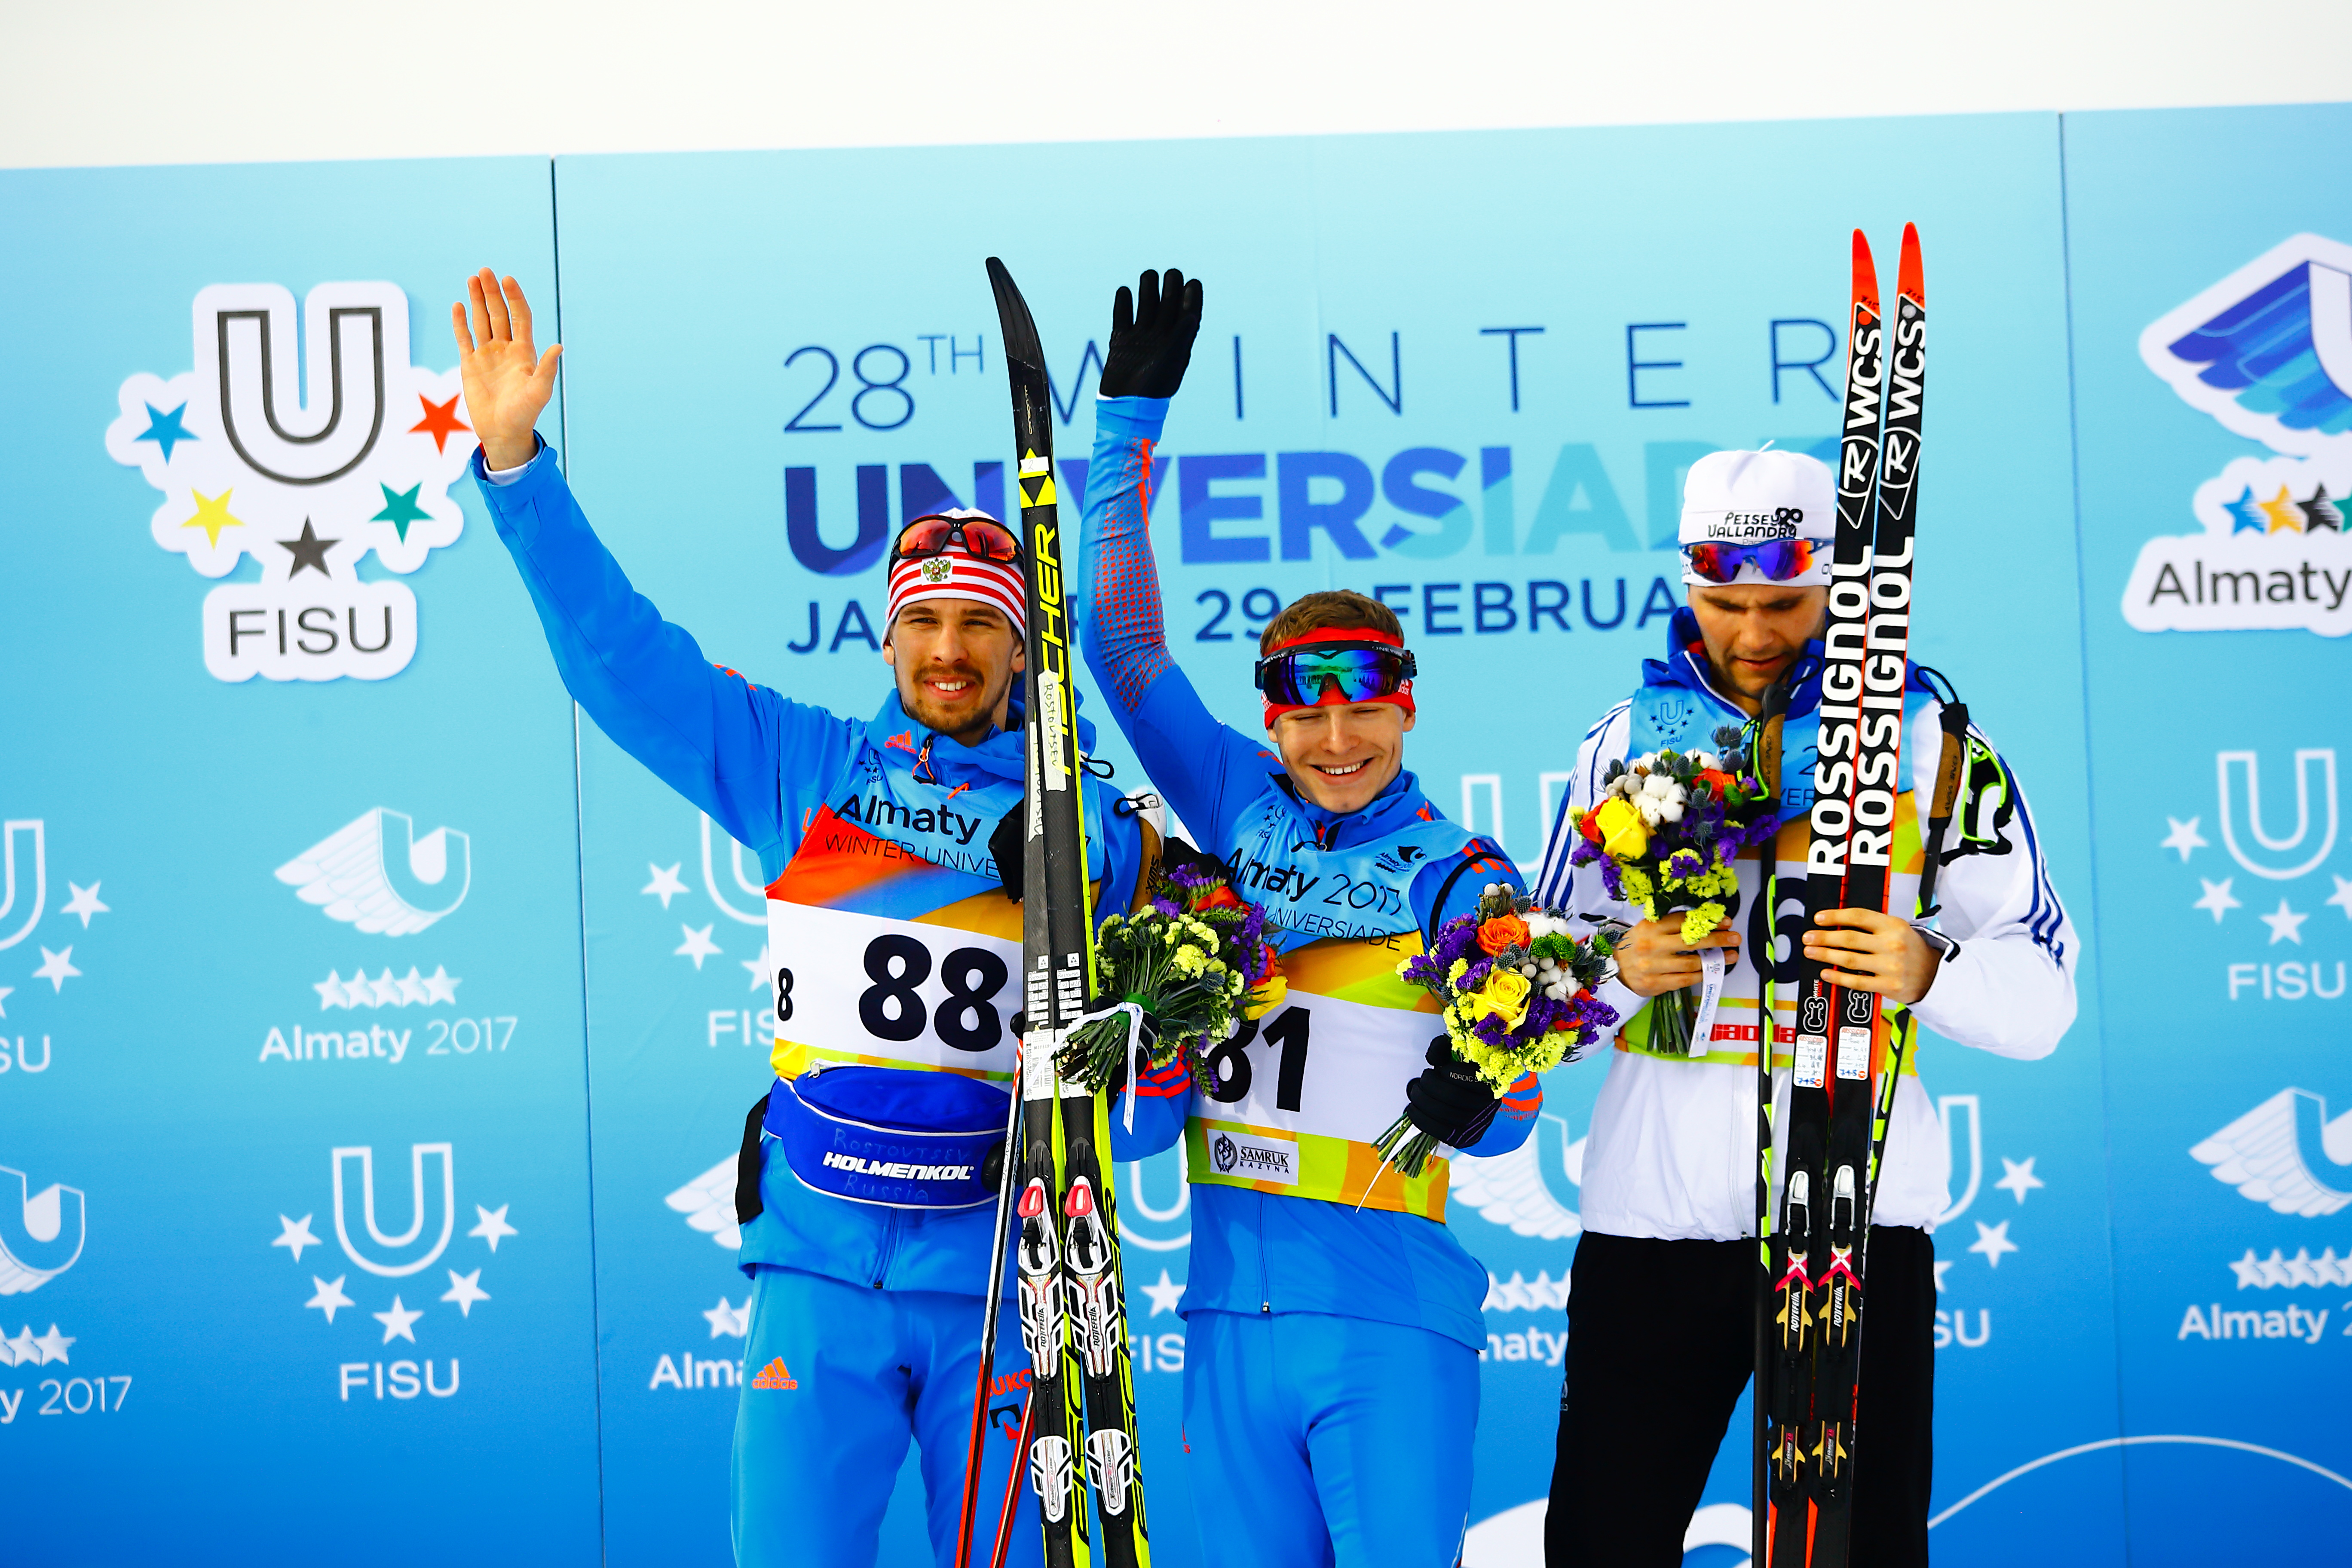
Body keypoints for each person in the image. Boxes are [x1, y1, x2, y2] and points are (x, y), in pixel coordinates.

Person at [449, 269, 1185, 1568]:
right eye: (925, 625)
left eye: (978, 627)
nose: (947, 651)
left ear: (1023, 651)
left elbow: (1183, 1020)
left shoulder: (1097, 825)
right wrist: (514, 464)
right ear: (890, 638)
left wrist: (1092, 882)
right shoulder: (810, 769)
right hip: (819, 1269)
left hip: (1009, 1289)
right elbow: (622, 658)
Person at [1535, 447, 2077, 1567]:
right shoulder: (1624, 741)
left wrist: (1931, 969)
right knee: (1600, 1545)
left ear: (1842, 580)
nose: (1751, 633)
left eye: (1782, 600)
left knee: (1862, 1551)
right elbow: (1526, 993)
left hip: (1852, 1221)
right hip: (1655, 1227)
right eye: (1722, 601)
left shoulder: (1932, 745)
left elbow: (2045, 1000)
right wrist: (1608, 970)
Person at [1075, 268, 1541, 1568]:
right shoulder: (1234, 800)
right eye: (1306, 713)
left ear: (1406, 708)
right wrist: (1128, 423)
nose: (1337, 740)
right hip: (1225, 1320)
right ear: (1274, 718)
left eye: (1364, 710)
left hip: (1387, 1323)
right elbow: (1118, 645)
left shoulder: (1462, 873)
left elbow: (1509, 1111)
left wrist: (1479, 1091)